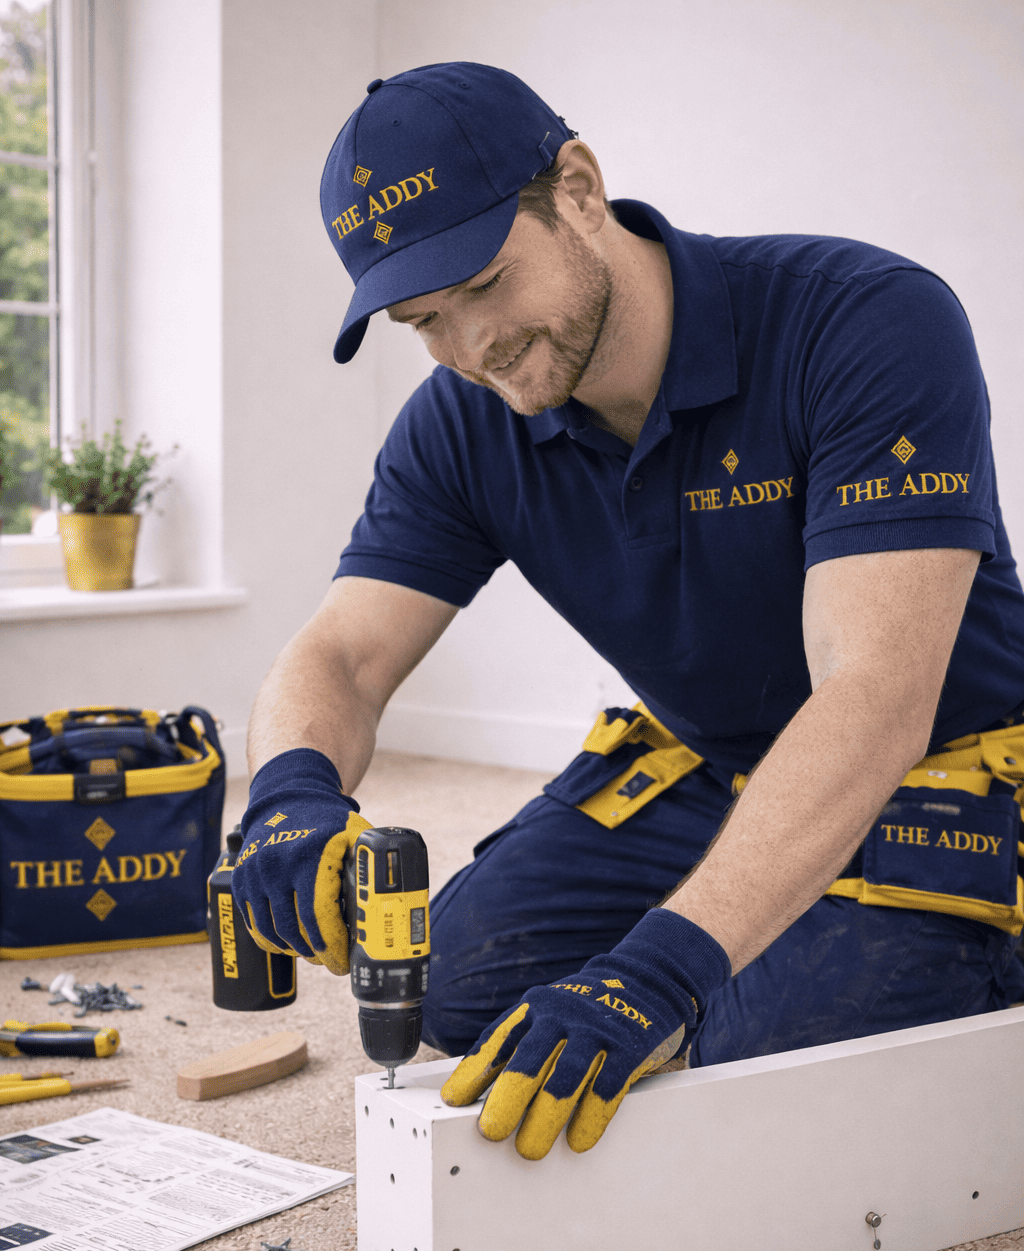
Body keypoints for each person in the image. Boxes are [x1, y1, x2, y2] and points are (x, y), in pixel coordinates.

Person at [233, 62, 1024, 1162]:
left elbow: (876, 692)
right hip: (704, 764)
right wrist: (287, 792)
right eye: (424, 321)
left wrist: (658, 970)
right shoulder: (460, 421)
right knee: (455, 994)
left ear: (578, 190)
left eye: (485, 285)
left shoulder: (863, 321)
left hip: (929, 767)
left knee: (741, 1055)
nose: (471, 350)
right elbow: (345, 654)